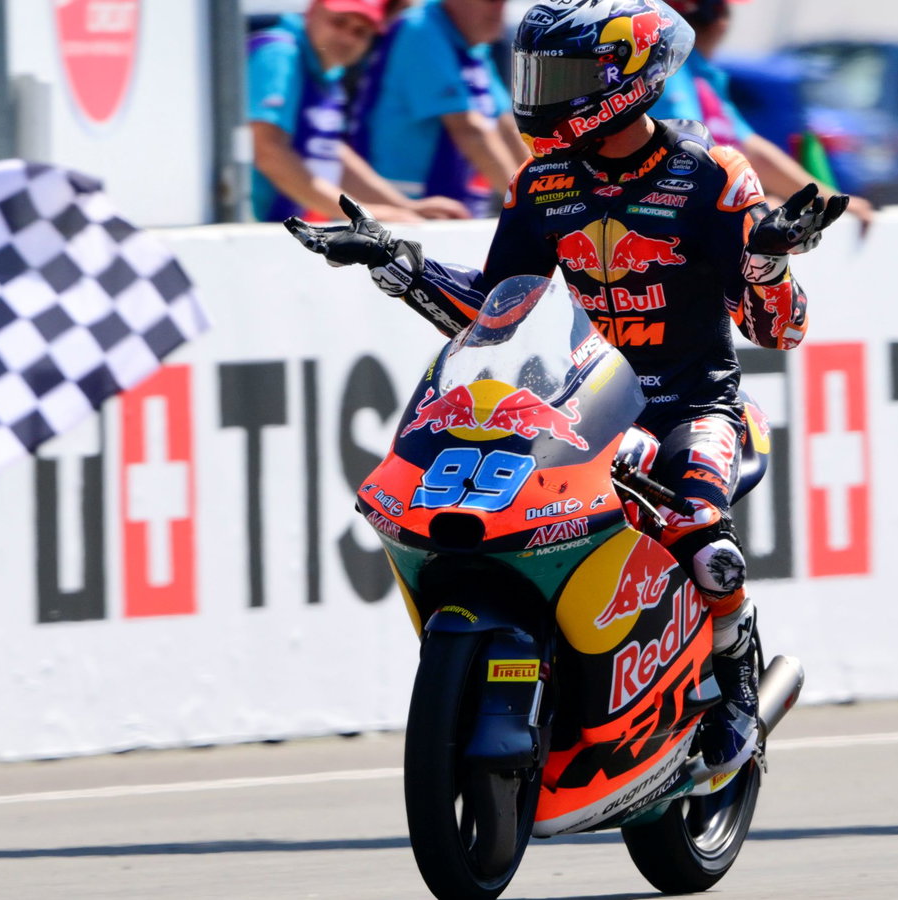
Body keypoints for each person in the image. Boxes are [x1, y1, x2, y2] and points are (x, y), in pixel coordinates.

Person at [286, 0, 848, 773]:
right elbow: (497, 310)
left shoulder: (713, 176)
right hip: (586, 406)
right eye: (535, 76)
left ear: (627, 81)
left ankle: (738, 688)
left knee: (703, 538)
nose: (539, 97)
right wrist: (397, 261)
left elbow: (779, 331)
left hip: (694, 406)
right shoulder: (540, 183)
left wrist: (768, 263)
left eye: (563, 78)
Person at [652, 0, 876, 232]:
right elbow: (690, 151)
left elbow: (750, 149)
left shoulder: (696, 75)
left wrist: (827, 200)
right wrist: (752, 206)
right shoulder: (671, 72)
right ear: (720, 20)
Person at [248, 0, 469, 224]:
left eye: (360, 32)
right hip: (246, 227)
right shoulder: (279, 54)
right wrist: (365, 213)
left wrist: (405, 207)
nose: (347, 38)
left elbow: (330, 151)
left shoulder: (324, 68)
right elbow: (268, 150)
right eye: (338, 22)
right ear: (312, 12)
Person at [352, 0, 529, 217]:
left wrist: (541, 189)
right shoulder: (420, 30)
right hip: (397, 211)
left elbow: (505, 126)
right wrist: (531, 206)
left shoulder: (472, 44)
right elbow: (469, 130)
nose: (499, 8)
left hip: (444, 208)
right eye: (490, 1)